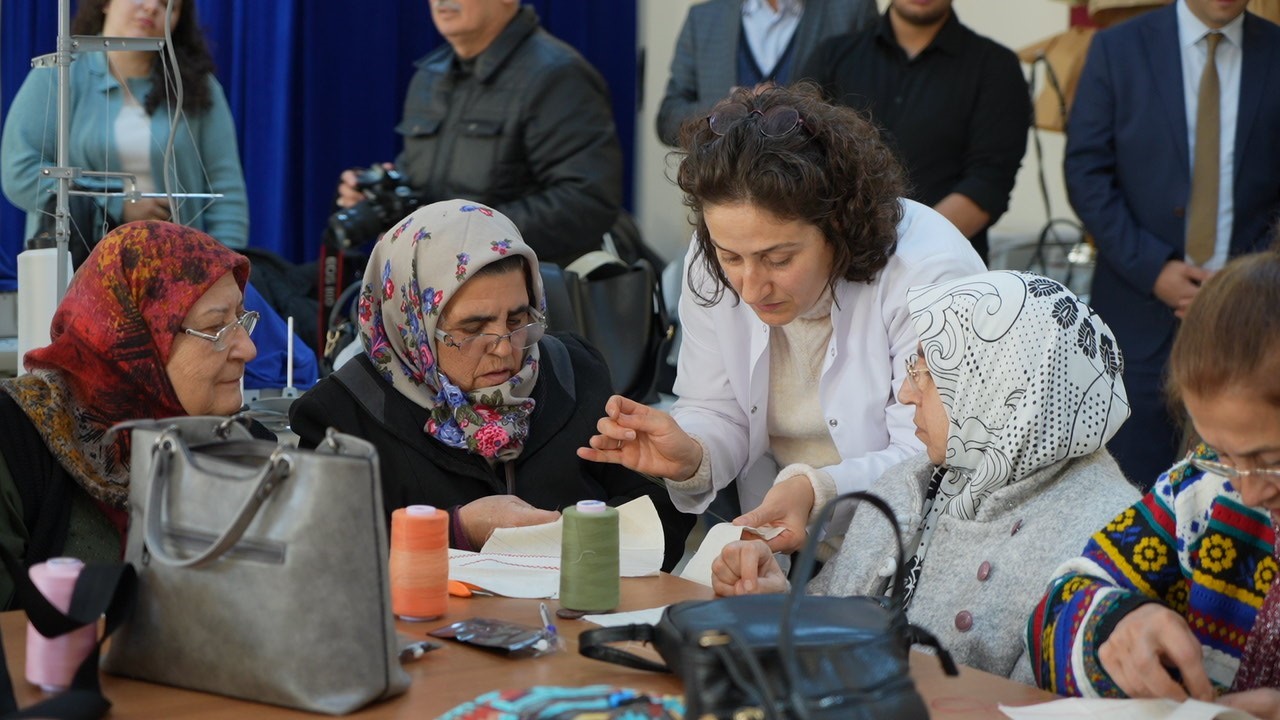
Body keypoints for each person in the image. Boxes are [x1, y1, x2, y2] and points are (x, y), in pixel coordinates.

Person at [578, 84, 985, 537]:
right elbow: (718, 406)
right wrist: (694, 453)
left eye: (779, 259)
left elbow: (932, 451)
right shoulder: (712, 253)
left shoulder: (928, 272)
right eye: (731, 258)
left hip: (910, 542)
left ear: (841, 225)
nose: (751, 287)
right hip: (781, 535)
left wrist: (818, 489)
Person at [709, 271, 1137, 680]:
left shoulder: (1103, 535)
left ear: (1003, 390)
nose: (906, 393)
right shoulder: (915, 481)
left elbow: (1035, 706)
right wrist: (777, 603)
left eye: (928, 375)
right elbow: (830, 625)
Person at [289, 200, 694, 570]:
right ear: (413, 324)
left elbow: (659, 520)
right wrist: (457, 529)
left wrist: (672, 477)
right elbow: (326, 562)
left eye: (518, 321)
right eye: (473, 328)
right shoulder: (341, 415)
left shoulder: (572, 371)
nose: (504, 350)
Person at [1029, 248, 1280, 717]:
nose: (1248, 491)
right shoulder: (1203, 490)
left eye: (1270, 461)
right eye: (1226, 454)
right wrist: (1114, 624)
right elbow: (1054, 613)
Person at [1064, 0, 1280, 490]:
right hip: (1137, 312)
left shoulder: (1275, 53)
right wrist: (1153, 268)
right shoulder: (1117, 47)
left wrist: (1245, 279)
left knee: (1240, 488)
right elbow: (1086, 172)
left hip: (1255, 318)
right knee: (1128, 487)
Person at [0, 221, 262, 609]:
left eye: (241, 319)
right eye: (216, 326)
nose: (248, 349)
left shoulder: (244, 449)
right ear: (132, 340)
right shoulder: (16, 439)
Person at [334, 0, 622, 269]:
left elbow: (587, 202)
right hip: (435, 287)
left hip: (521, 296)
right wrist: (380, 194)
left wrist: (464, 234)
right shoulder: (430, 75)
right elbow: (426, 184)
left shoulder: (557, 75)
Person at [1, 0, 248, 251]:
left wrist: (226, 268)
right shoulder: (56, 74)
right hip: (75, 265)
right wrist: (117, 204)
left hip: (179, 271)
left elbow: (226, 192)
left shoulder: (199, 87)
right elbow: (20, 173)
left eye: (167, 4)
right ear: (105, 3)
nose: (152, 7)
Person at [798, 0, 1031, 264]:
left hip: (945, 271)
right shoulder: (832, 56)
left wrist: (903, 252)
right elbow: (801, 158)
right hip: (839, 265)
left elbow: (988, 182)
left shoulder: (996, 67)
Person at [655, 0, 877, 147]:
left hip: (816, 203)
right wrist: (727, 110)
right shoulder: (703, 19)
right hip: (722, 199)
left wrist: (794, 111)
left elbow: (869, 115)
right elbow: (668, 121)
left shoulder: (851, 12)